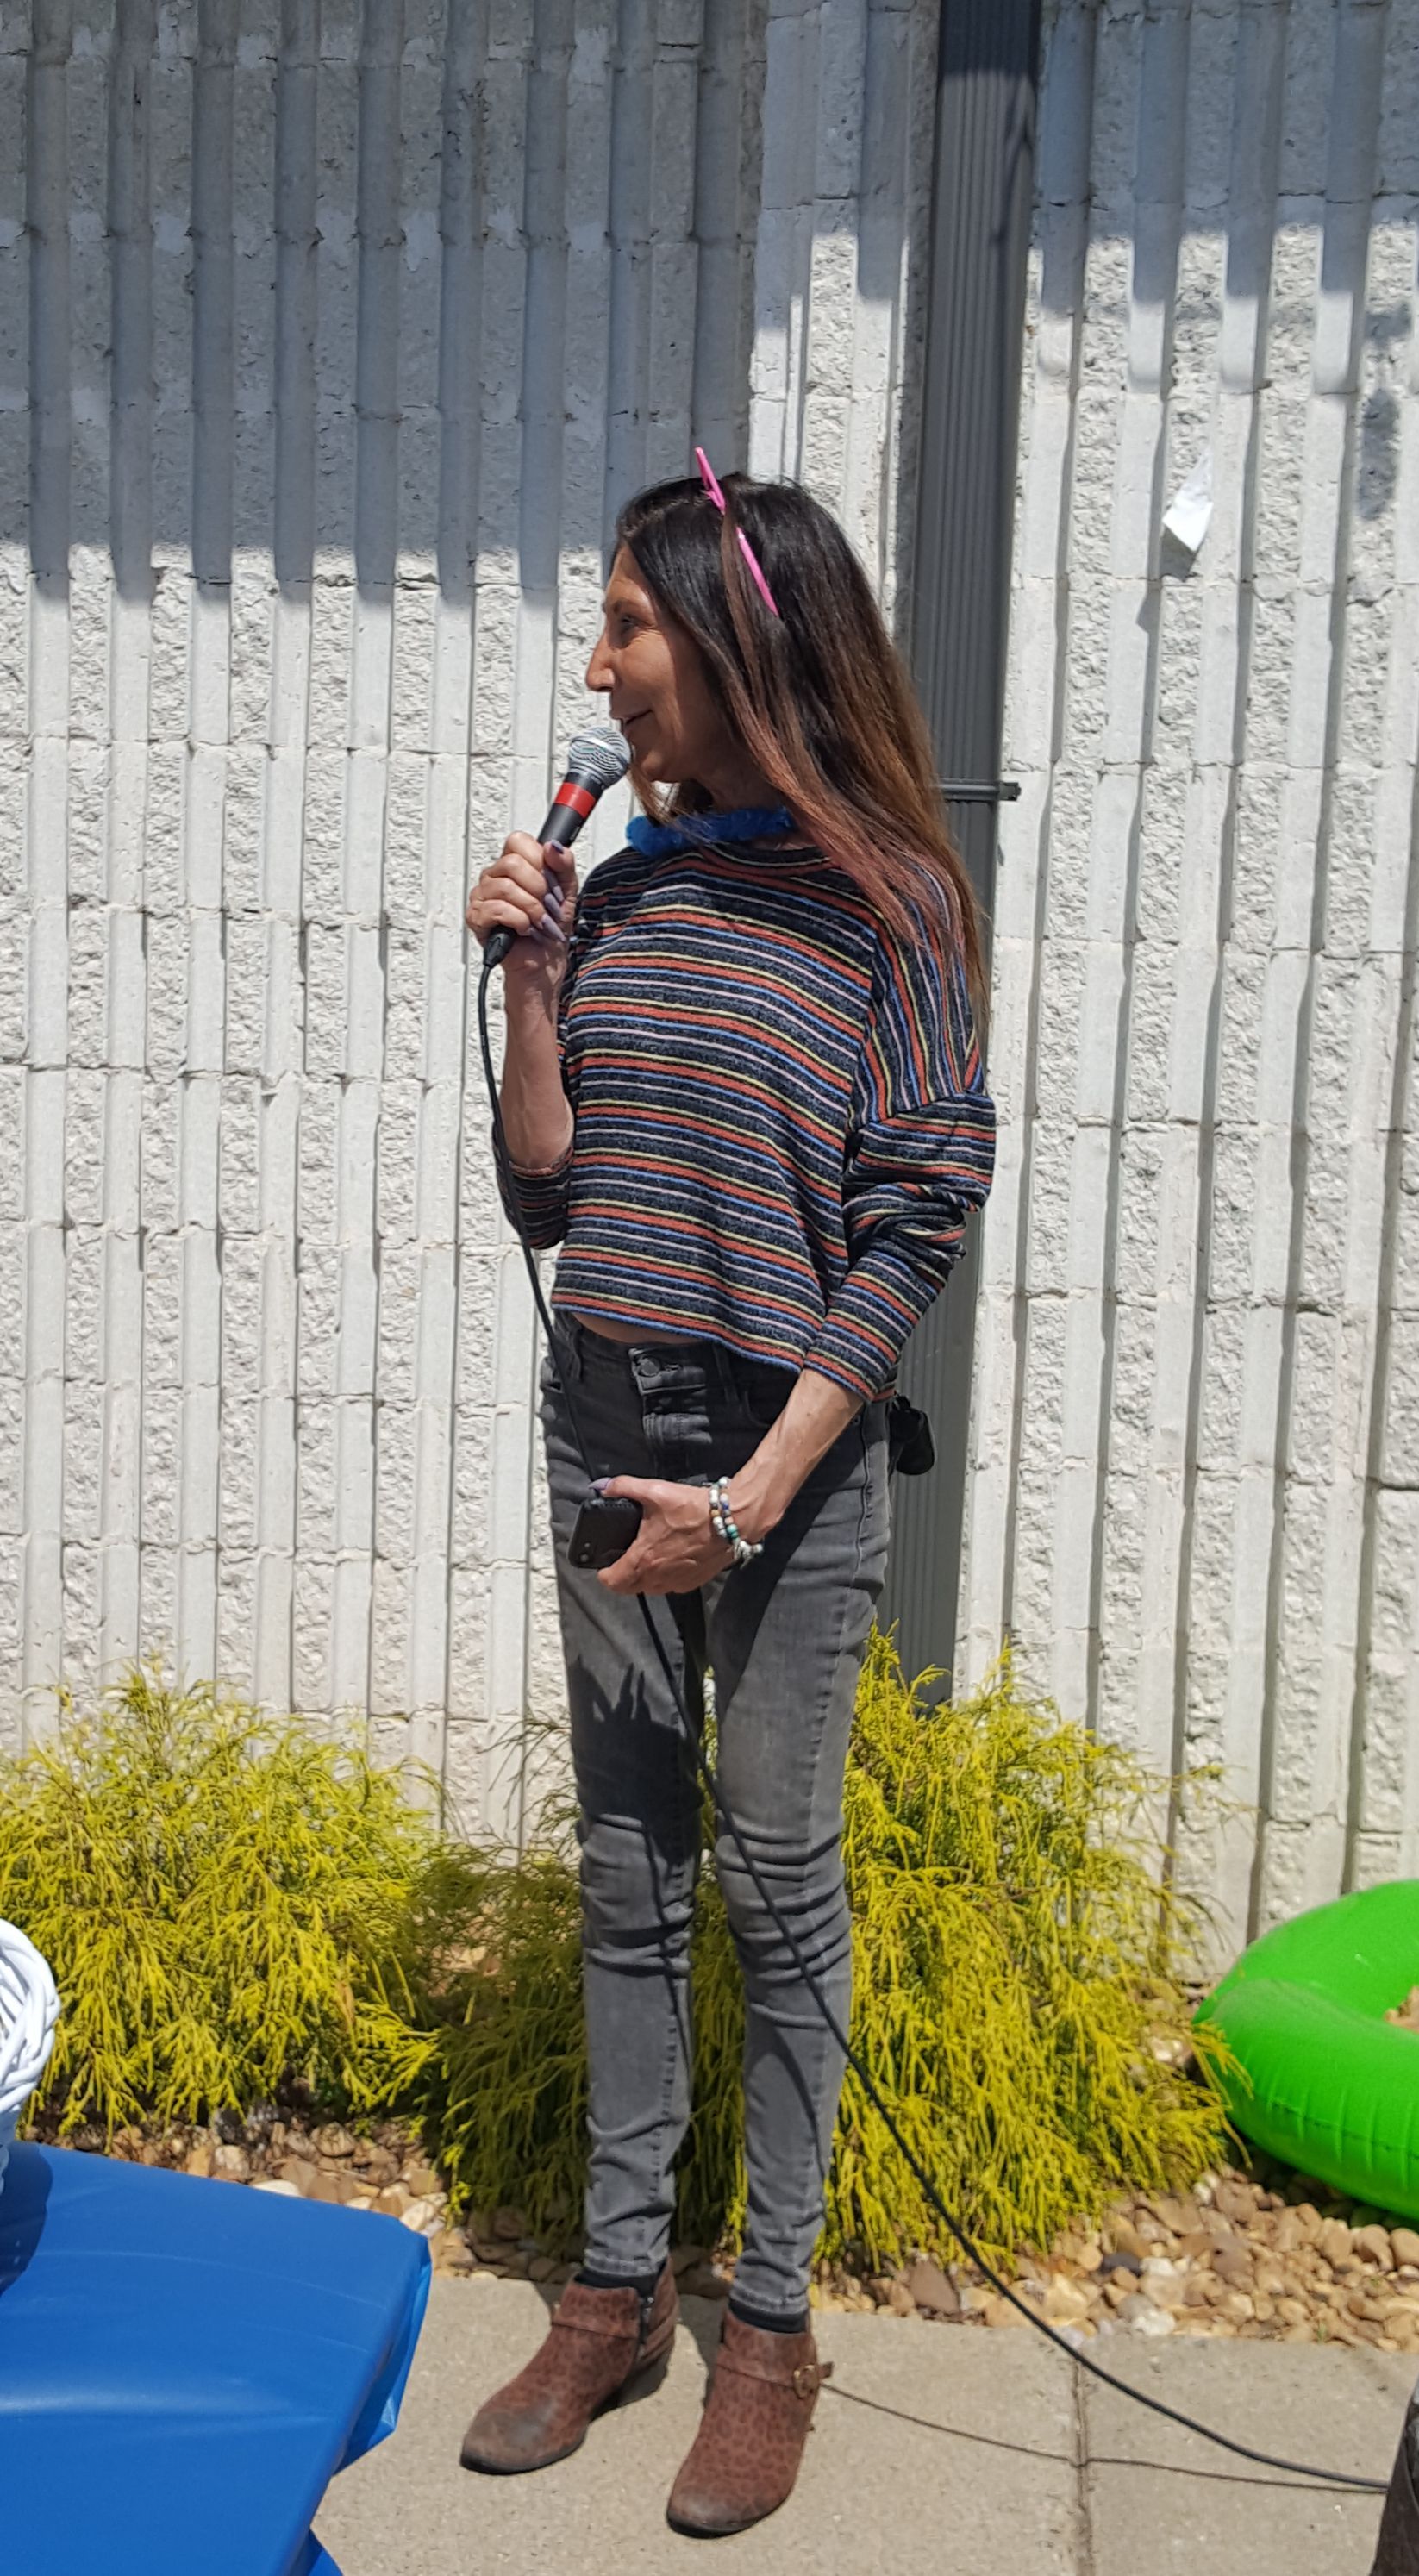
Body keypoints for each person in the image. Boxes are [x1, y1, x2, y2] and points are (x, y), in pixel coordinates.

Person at [459, 459, 995, 2538]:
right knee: (623, 1869)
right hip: (603, 1411)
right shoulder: (636, 879)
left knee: (777, 1885)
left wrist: (757, 1499)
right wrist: (528, 975)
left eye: (624, 628)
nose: (595, 672)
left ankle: (765, 2327)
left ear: (742, 642)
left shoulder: (893, 903)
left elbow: (911, 1224)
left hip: (783, 1457)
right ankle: (617, 2290)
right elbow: (546, 1187)